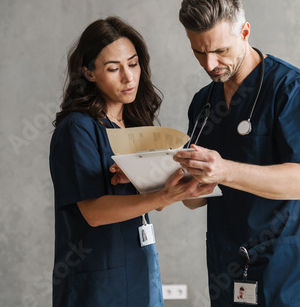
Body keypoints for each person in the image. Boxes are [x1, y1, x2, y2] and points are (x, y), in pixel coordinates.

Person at [174, 0, 300, 306]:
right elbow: (195, 200)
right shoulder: (204, 104)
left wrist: (224, 170)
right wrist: (168, 181)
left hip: (288, 270)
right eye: (198, 51)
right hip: (227, 265)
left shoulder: (292, 90)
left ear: (244, 32)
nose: (209, 63)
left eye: (220, 50)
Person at [49, 16, 215, 307]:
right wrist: (163, 194)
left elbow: (157, 201)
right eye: (113, 68)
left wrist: (178, 182)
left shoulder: (135, 125)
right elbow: (94, 213)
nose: (128, 77)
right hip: (98, 282)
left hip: (141, 268)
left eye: (133, 64)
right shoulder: (78, 129)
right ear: (89, 73)